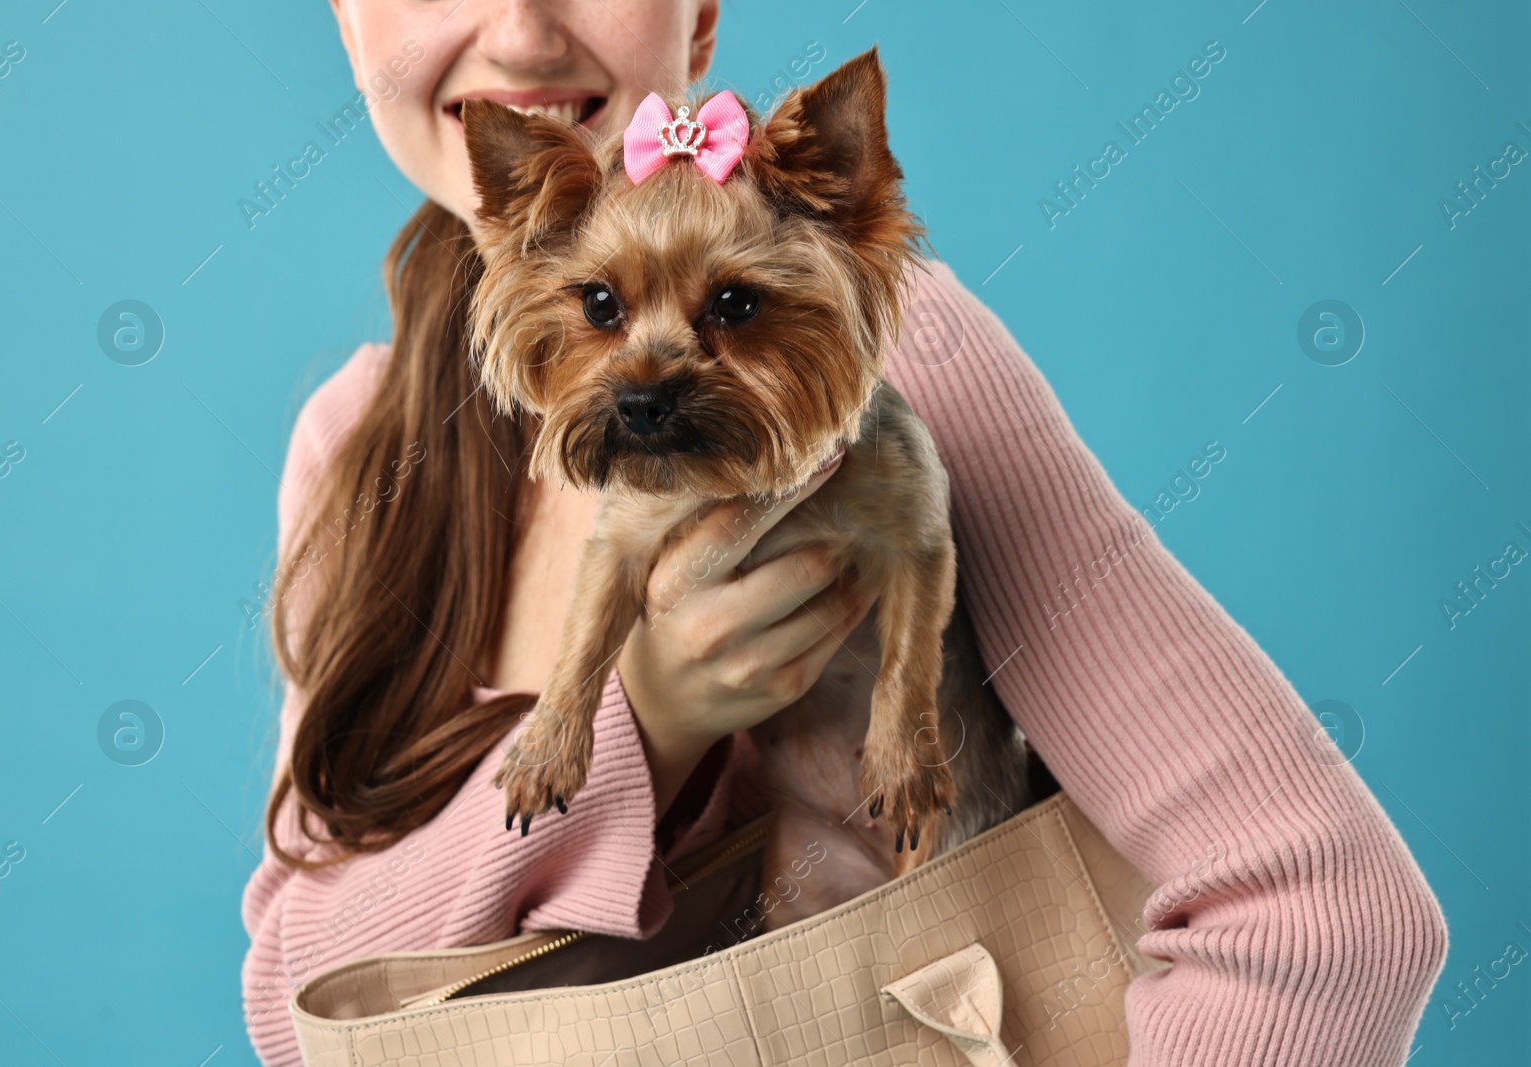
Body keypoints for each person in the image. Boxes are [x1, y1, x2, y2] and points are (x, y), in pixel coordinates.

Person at [241, 2, 1448, 1064]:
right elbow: (302, 1008)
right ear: (345, 23)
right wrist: (648, 721)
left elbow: (1324, 913)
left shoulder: (891, 372)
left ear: (698, 16)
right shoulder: (350, 443)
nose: (519, 29)